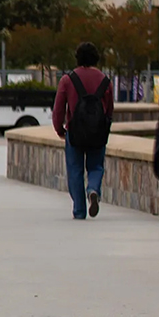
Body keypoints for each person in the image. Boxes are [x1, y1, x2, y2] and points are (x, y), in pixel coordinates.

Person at [53, 42, 114, 220]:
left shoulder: (68, 79)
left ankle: (79, 210)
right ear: (96, 58)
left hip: (75, 132)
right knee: (96, 166)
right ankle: (93, 189)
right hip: (97, 132)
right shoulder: (105, 80)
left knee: (75, 170)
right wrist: (105, 129)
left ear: (78, 58)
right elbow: (110, 110)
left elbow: (58, 109)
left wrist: (59, 129)